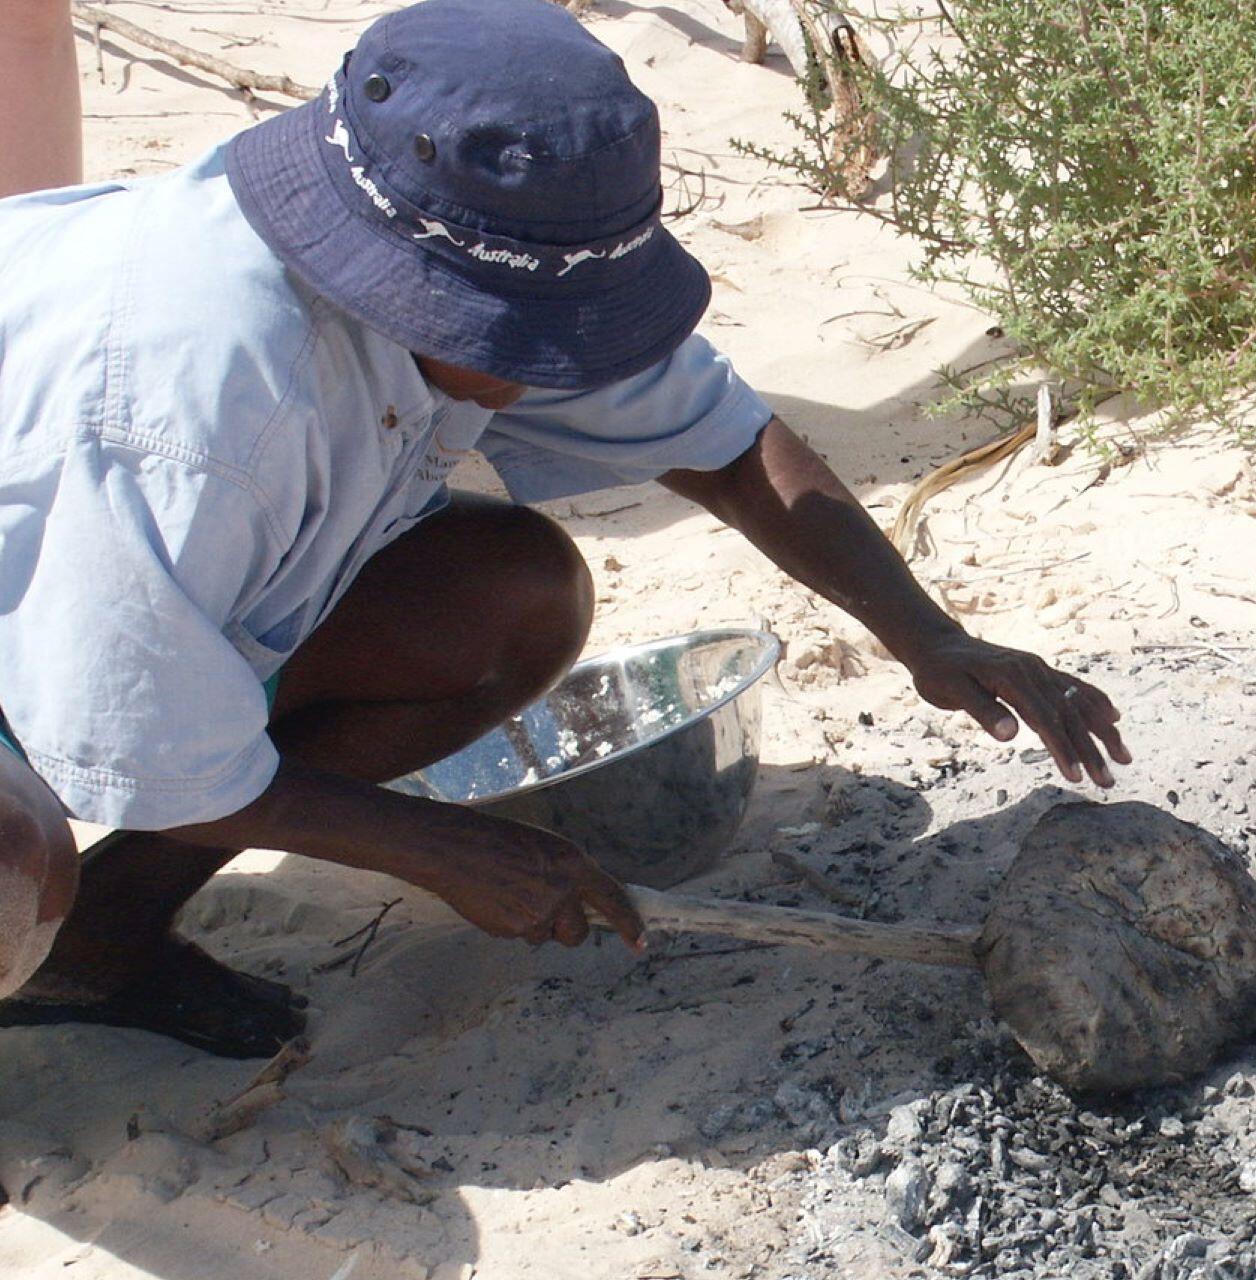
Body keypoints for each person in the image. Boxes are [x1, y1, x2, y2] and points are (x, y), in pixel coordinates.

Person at [0, 0, 1129, 1058]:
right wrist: (438, 849)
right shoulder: (188, 404)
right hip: (46, 636)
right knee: (14, 865)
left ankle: (103, 939)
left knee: (505, 599)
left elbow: (727, 446)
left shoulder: (477, 244)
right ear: (395, 278)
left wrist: (929, 636)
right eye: (515, 332)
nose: (553, 361)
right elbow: (143, 737)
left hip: (107, 606)